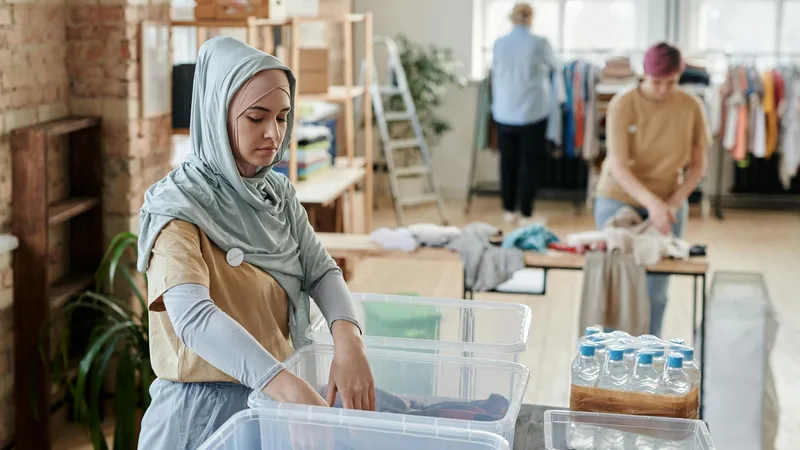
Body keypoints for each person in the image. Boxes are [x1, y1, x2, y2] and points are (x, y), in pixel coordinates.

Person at [135, 36, 375, 449]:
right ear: (218, 114)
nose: (274, 133)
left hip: (271, 404)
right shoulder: (177, 207)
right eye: (256, 117)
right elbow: (193, 318)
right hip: (200, 416)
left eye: (282, 117)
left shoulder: (275, 195)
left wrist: (349, 341)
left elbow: (320, 271)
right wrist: (286, 386)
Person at [594, 42, 712, 337]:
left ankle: (650, 352)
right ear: (644, 74)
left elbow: (698, 167)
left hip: (668, 198)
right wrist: (653, 205)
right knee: (617, 284)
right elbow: (619, 166)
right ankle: (612, 355)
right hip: (618, 196)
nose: (663, 89)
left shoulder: (691, 106)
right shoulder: (623, 104)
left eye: (671, 82)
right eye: (656, 82)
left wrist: (672, 202)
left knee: (656, 289)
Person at [491, 2, 556, 225]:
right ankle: (526, 213)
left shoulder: (499, 43)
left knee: (507, 163)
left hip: (504, 112)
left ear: (512, 18)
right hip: (531, 113)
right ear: (531, 18)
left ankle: (509, 210)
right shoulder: (539, 43)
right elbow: (554, 66)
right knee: (530, 163)